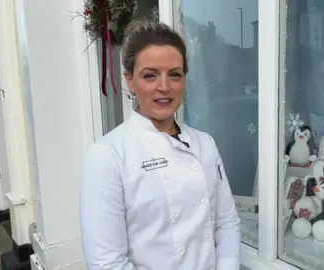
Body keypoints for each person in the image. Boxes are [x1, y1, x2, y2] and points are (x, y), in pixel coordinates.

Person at [79, 20, 241, 270]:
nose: (164, 87)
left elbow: (227, 222)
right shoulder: (108, 155)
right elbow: (106, 263)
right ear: (130, 81)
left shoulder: (205, 144)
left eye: (174, 74)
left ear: (184, 80)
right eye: (150, 75)